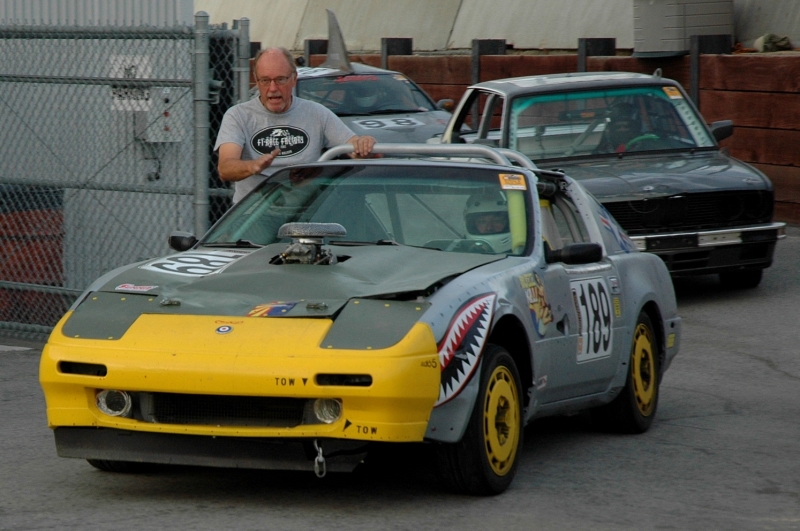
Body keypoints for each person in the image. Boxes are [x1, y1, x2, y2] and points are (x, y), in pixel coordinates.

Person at [214, 47, 377, 203]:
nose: (273, 88)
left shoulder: (317, 113)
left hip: (306, 211)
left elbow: (355, 149)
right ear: (256, 80)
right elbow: (225, 168)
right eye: (265, 80)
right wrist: (253, 166)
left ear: (294, 79)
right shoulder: (237, 115)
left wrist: (364, 144)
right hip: (255, 213)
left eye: (280, 79)